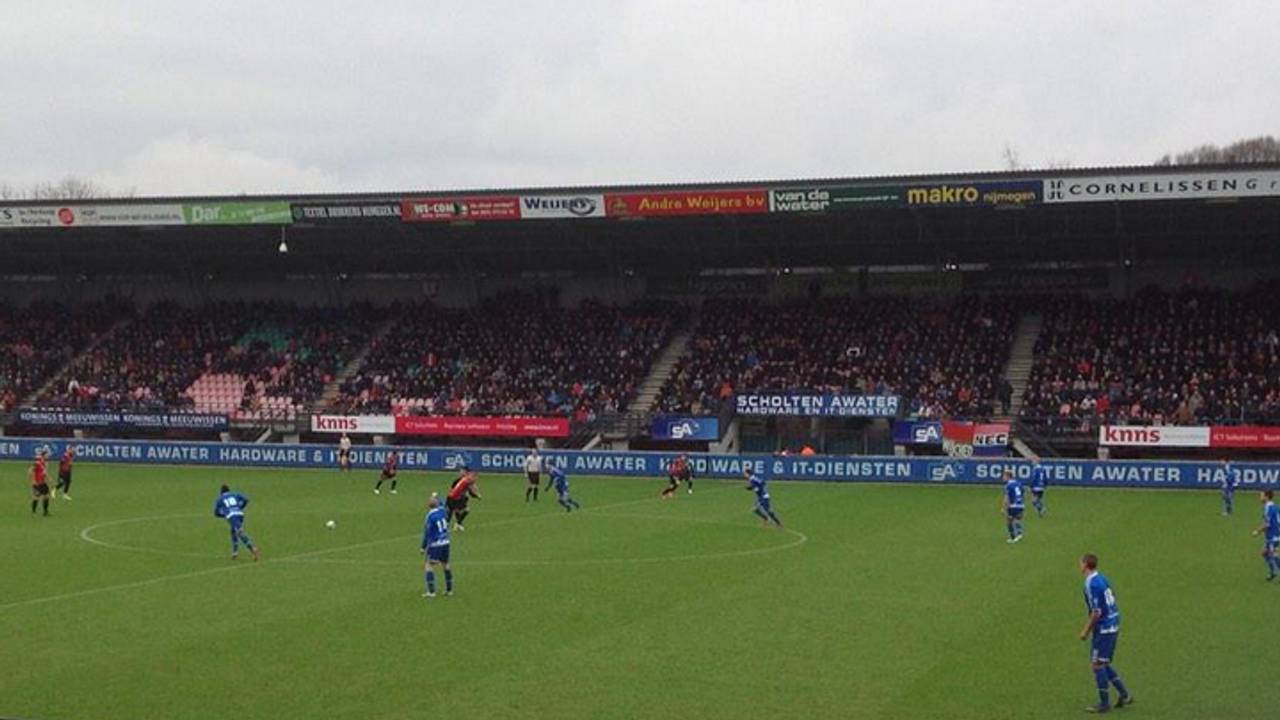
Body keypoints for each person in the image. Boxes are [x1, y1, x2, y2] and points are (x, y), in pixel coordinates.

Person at [1078, 553, 1132, 713]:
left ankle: (1104, 704)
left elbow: (1096, 612)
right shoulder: (1101, 577)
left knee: (1097, 665)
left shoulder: (1091, 584)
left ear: (1086, 565)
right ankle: (1125, 694)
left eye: (1080, 563)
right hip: (1113, 622)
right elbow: (1112, 597)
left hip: (1105, 627)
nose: (1079, 566)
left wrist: (1085, 631)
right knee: (1103, 662)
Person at [213, 484, 260, 561]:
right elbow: (246, 499)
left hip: (232, 516)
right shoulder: (234, 494)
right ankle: (235, 552)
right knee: (233, 531)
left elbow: (216, 513)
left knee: (239, 532)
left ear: (221, 492)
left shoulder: (220, 499)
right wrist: (240, 507)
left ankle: (253, 549)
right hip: (240, 514)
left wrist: (224, 515)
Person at [420, 494, 454, 598]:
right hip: (445, 542)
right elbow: (443, 503)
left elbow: (427, 532)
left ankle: (431, 592)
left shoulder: (430, 516)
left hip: (435, 544)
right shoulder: (442, 511)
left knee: (428, 565)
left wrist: (423, 546)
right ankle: (449, 590)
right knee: (446, 565)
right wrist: (437, 496)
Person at [1252, 490, 1280, 581]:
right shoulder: (1275, 507)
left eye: (1261, 496)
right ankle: (1273, 573)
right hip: (1274, 535)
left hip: (1273, 536)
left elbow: (1267, 524)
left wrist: (1257, 531)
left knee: (1274, 555)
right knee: (1264, 553)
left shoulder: (1269, 508)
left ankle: (1274, 572)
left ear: (1267, 497)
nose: (1260, 498)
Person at [1001, 469, 1024, 543]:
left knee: (1009, 521)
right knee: (1017, 519)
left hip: (1012, 505)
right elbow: (1022, 493)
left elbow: (1007, 497)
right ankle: (1019, 533)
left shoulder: (1008, 485)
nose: (1003, 477)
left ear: (1008, 476)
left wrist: (1004, 508)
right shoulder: (1019, 483)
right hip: (1020, 504)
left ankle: (1013, 537)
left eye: (1004, 476)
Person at [29, 447, 51, 517]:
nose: (48, 456)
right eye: (47, 454)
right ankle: (33, 512)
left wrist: (48, 478)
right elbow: (30, 471)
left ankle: (45, 512)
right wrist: (33, 481)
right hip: (37, 483)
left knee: (47, 496)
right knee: (36, 497)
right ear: (44, 455)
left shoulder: (45, 463)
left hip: (43, 482)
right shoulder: (37, 462)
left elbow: (44, 472)